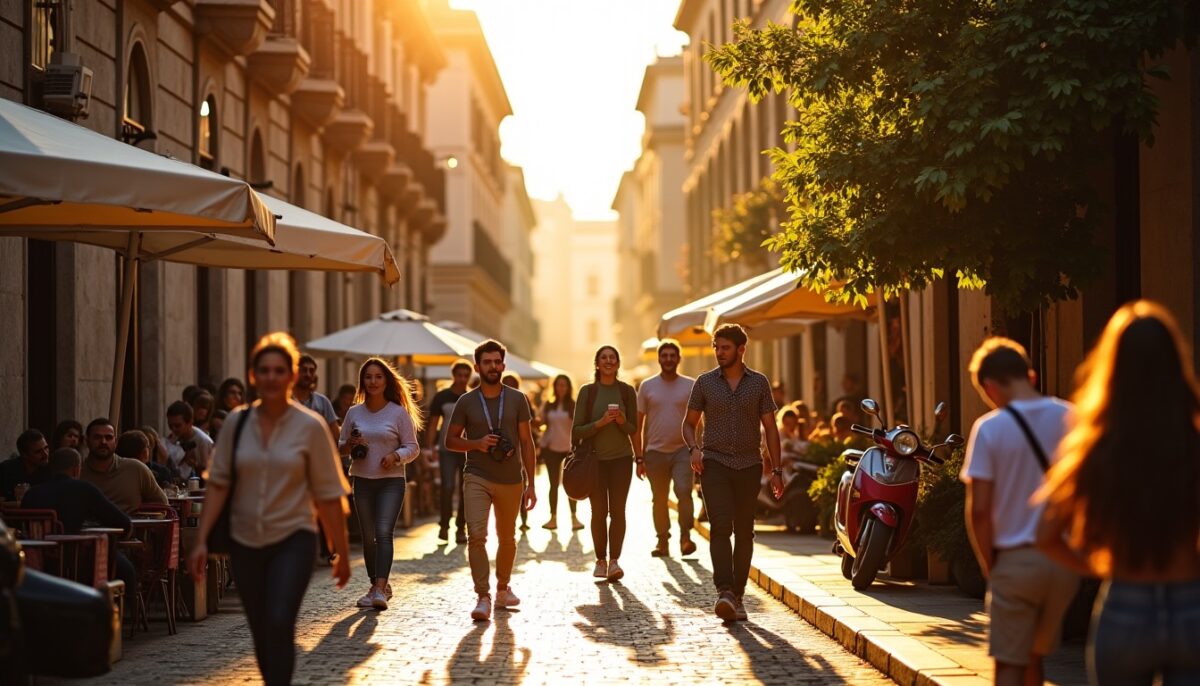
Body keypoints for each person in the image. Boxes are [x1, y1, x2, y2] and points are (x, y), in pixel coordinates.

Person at [1035, 302, 1200, 685]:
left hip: (1127, 601)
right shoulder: (1193, 442)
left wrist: (1098, 567)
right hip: (1191, 602)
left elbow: (1045, 534)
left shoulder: (1096, 446)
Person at [190, 332, 351, 686]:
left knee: (279, 620)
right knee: (261, 627)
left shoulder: (310, 427)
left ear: (292, 376)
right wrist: (201, 540)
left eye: (280, 371)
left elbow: (329, 494)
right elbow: (218, 483)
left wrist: (340, 550)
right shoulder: (237, 422)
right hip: (245, 541)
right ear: (253, 376)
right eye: (265, 370)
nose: (272, 377)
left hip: (294, 538)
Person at [960, 337, 1079, 686]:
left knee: (1009, 664)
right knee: (1033, 656)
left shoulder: (990, 427)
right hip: (1063, 563)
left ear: (990, 386)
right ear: (1031, 375)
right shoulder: (1072, 416)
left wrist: (990, 566)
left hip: (1016, 559)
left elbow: (980, 511)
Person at [683, 324, 783, 622]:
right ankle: (724, 590)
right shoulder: (704, 383)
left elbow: (771, 428)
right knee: (720, 527)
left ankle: (737, 594)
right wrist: (693, 449)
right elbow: (688, 424)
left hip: (749, 465)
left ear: (741, 349)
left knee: (744, 531)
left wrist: (776, 470)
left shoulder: (759, 383)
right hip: (713, 463)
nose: (719, 353)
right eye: (716, 347)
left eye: (725, 347)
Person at [444, 339, 537, 622]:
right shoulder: (466, 401)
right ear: (477, 366)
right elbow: (450, 441)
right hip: (477, 476)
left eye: (497, 362)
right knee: (477, 535)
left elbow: (526, 441)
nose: (493, 367)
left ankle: (502, 588)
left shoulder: (517, 399)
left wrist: (531, 483)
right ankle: (482, 595)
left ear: (503, 365)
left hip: (511, 479)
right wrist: (477, 443)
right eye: (487, 362)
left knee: (508, 538)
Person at [338, 357, 423, 611]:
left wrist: (396, 455)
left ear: (386, 381)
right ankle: (377, 584)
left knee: (383, 532)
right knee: (367, 538)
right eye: (368, 377)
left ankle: (379, 590)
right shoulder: (354, 412)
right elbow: (340, 447)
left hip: (391, 482)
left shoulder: (398, 413)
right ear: (362, 382)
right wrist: (351, 445)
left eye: (378, 377)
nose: (373, 381)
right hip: (362, 481)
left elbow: (413, 447)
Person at [22, 447, 137, 591]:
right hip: (78, 565)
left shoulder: (31, 494)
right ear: (77, 469)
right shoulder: (84, 489)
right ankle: (120, 611)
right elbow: (123, 523)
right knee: (127, 570)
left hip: (36, 565)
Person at [573, 345, 640, 582]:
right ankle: (600, 560)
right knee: (599, 512)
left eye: (613, 357)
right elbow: (576, 430)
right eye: (604, 357)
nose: (609, 361)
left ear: (618, 363)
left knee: (618, 511)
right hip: (595, 462)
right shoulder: (587, 392)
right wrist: (600, 424)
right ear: (597, 363)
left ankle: (614, 562)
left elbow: (633, 429)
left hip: (622, 460)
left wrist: (621, 421)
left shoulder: (627, 391)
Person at [637, 339, 697, 558]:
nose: (669, 359)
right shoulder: (647, 386)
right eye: (665, 356)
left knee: (683, 492)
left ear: (679, 359)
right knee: (659, 498)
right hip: (654, 451)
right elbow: (639, 423)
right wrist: (639, 456)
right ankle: (662, 540)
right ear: (659, 359)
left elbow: (698, 420)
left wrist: (698, 448)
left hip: (683, 449)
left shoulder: (690, 385)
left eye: (673, 355)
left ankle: (685, 537)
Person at [79, 418, 168, 513]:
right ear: (86, 441)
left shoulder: (136, 469)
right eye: (97, 437)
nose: (103, 442)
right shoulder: (76, 472)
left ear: (115, 442)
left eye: (108, 437)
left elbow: (163, 505)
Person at [427, 360, 473, 543]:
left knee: (465, 489)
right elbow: (433, 424)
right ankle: (444, 525)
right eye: (459, 375)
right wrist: (430, 447)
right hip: (446, 448)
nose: (462, 379)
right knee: (447, 487)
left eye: (466, 376)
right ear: (453, 375)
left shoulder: (471, 397)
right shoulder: (442, 396)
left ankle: (460, 528)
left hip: (467, 449)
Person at [537, 374, 583, 531]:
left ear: (569, 387)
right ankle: (553, 518)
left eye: (564, 385)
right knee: (553, 484)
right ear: (554, 387)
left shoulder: (574, 406)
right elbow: (540, 423)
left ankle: (574, 517)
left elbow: (580, 426)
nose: (561, 388)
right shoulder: (548, 405)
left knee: (571, 484)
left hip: (570, 448)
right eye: (558, 385)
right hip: (550, 447)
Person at [502, 372, 532, 532]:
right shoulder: (497, 400)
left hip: (519, 448)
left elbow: (530, 423)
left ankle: (524, 518)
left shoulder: (522, 399)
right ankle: (508, 519)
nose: (509, 387)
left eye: (512, 383)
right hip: (502, 450)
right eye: (506, 383)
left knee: (522, 484)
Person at [164, 400, 215, 483]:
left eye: (177, 426)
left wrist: (195, 465)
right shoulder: (173, 438)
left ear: (190, 422)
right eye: (170, 426)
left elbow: (210, 474)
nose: (173, 429)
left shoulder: (203, 442)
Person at [295, 355, 340, 437]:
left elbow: (336, 436)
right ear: (295, 372)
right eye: (304, 370)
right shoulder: (285, 401)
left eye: (311, 371)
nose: (307, 374)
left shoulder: (323, 402)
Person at [1, 429, 50, 501]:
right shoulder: (6, 470)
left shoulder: (52, 470)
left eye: (46, 448)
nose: (45, 454)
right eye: (38, 452)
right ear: (24, 454)